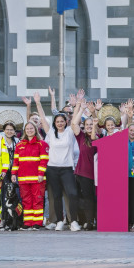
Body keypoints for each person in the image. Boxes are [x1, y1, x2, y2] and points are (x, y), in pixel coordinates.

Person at [34, 92, 79, 231]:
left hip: (67, 169)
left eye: (62, 121)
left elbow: (75, 119)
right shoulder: (50, 133)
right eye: (57, 121)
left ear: (66, 122)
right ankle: (59, 220)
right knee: (57, 195)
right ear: (54, 123)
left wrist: (77, 104)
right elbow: (42, 118)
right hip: (52, 169)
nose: (60, 123)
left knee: (72, 194)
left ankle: (73, 221)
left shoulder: (70, 132)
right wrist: (38, 103)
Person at [11, 121, 49, 230]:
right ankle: (28, 222)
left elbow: (44, 161)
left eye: (31, 128)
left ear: (35, 130)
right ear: (24, 131)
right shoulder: (19, 145)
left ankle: (37, 222)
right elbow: (16, 162)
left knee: (37, 200)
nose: (29, 130)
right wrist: (13, 174)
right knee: (26, 201)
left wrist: (41, 174)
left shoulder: (42, 144)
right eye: (27, 129)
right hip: (23, 179)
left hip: (37, 178)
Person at [70, 98, 98, 231]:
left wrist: (93, 115)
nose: (89, 126)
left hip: (96, 174)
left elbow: (93, 138)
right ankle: (89, 221)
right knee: (87, 198)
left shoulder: (98, 137)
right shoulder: (81, 136)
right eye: (87, 125)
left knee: (95, 198)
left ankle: (97, 220)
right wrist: (81, 108)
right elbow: (73, 123)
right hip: (83, 173)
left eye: (91, 125)